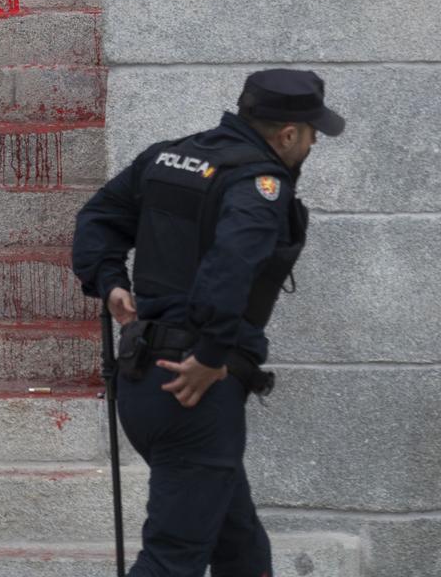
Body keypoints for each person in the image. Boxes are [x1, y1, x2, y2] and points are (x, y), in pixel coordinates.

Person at [72, 67, 345, 577]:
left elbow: (97, 218)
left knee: (240, 547)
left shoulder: (166, 157)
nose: (311, 145)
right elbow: (230, 267)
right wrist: (213, 354)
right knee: (172, 559)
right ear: (288, 134)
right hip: (191, 388)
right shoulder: (259, 184)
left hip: (145, 382)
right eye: (311, 135)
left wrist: (110, 281)